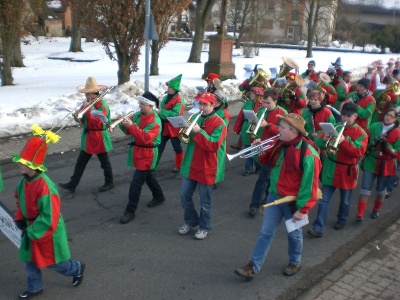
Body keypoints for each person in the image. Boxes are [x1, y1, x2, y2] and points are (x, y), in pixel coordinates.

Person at [234, 113, 321, 280]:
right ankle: (253, 266)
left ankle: (295, 261)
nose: (278, 129)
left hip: (292, 202)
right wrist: (259, 148)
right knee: (265, 233)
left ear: (293, 132)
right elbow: (264, 163)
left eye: (282, 127)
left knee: (294, 235)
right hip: (274, 196)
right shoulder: (279, 144)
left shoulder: (309, 154)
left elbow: (309, 185)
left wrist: (303, 210)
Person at [12, 133, 85, 299]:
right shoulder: (24, 181)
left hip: (45, 230)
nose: (19, 165)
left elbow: (49, 216)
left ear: (33, 165)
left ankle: (77, 268)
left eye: (22, 163)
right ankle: (35, 287)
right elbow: (19, 200)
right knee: (29, 260)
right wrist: (19, 218)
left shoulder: (45, 186)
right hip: (29, 226)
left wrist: (32, 231)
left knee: (54, 262)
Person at [307, 102, 368, 237]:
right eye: (343, 115)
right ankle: (318, 227)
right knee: (324, 200)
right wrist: (325, 139)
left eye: (348, 116)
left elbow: (359, 152)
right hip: (331, 167)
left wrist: (344, 141)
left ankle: (342, 219)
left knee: (345, 200)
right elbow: (319, 143)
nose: (345, 118)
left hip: (347, 170)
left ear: (355, 116)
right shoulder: (335, 126)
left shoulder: (361, 133)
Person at [178, 92, 227, 240]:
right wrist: (183, 129)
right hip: (192, 163)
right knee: (184, 196)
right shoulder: (194, 118)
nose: (202, 107)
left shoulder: (220, 123)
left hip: (207, 166)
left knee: (205, 201)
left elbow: (212, 145)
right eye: (200, 103)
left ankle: (205, 226)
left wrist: (199, 132)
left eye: (205, 104)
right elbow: (186, 140)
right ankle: (191, 221)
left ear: (213, 105)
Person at [59, 77, 114, 193]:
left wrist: (87, 108)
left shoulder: (101, 104)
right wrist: (77, 115)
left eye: (87, 93)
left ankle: (109, 182)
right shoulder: (87, 103)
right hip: (89, 136)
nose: (86, 96)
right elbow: (82, 120)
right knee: (81, 162)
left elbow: (98, 120)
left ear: (94, 93)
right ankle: (73, 184)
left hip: (99, 136)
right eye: (85, 94)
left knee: (104, 162)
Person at [119, 92, 166, 224]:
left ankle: (130, 210)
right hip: (138, 151)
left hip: (148, 154)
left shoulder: (155, 121)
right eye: (140, 103)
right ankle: (159, 196)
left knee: (136, 183)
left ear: (151, 106)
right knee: (148, 177)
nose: (139, 105)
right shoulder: (139, 115)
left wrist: (131, 126)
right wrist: (123, 123)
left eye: (142, 104)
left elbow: (145, 138)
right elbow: (129, 131)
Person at [248, 89, 287, 217]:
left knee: (263, 177)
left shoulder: (282, 113)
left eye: (268, 103)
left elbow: (283, 133)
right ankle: (265, 196)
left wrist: (267, 125)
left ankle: (254, 205)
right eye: (264, 102)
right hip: (261, 145)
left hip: (274, 149)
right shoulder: (260, 111)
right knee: (264, 173)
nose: (265, 105)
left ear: (275, 101)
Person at [356, 108, 400, 221]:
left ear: (395, 119)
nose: (388, 117)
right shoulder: (375, 126)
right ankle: (360, 214)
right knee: (365, 189)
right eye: (387, 114)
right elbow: (365, 139)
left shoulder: (397, 132)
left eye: (391, 116)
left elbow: (397, 152)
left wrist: (387, 147)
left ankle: (376, 210)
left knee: (381, 190)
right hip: (371, 161)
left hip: (386, 164)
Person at [157, 74, 185, 173]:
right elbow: (162, 108)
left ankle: (179, 165)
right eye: (168, 86)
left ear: (174, 88)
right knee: (159, 147)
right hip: (164, 126)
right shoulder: (165, 97)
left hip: (174, 127)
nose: (167, 88)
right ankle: (153, 167)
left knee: (177, 147)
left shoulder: (179, 100)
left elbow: (175, 114)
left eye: (169, 86)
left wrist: (161, 112)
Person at [233, 86, 264, 176]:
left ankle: (259, 166)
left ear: (257, 95)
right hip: (247, 127)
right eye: (251, 93)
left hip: (257, 129)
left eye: (253, 93)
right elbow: (240, 117)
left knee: (257, 149)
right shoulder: (247, 103)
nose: (251, 95)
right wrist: (237, 128)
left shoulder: (262, 105)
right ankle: (248, 168)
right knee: (247, 149)